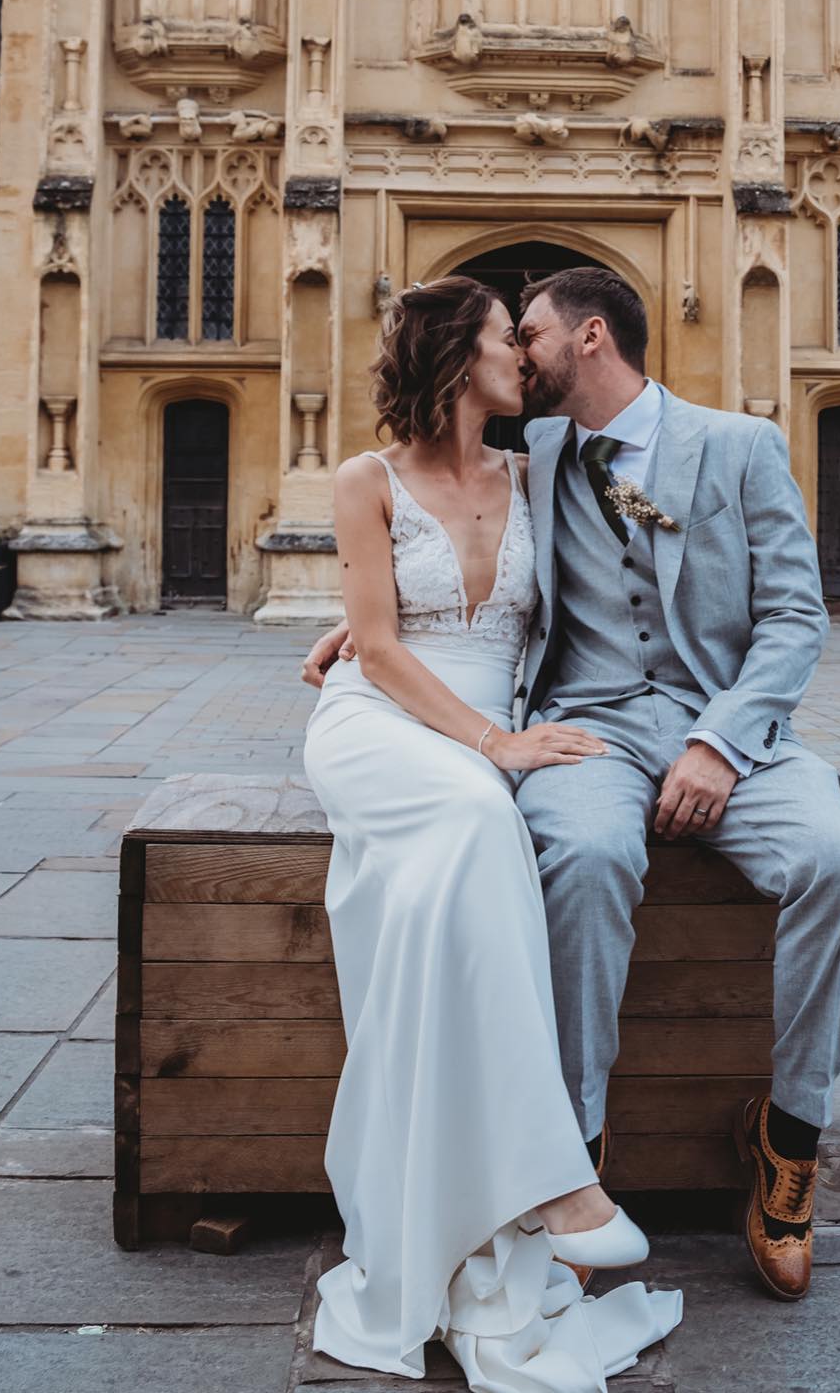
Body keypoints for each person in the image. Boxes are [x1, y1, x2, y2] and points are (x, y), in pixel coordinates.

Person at [306, 265, 840, 1305]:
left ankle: (789, 1142)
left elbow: (798, 618)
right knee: (581, 855)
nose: (517, 355)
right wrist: (364, 623)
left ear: (590, 339)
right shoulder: (539, 453)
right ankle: (570, 1154)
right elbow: (446, 543)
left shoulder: (742, 448)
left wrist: (720, 742)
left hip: (732, 732)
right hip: (591, 726)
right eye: (505, 339)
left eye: (529, 335)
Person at [300, 276, 682, 1389]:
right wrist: (491, 741)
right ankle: (553, 1178)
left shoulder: (540, 469)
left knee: (448, 886)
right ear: (455, 357)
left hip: (473, 717)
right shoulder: (361, 479)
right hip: (381, 726)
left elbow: (619, 580)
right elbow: (379, 646)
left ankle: (473, 1179)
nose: (527, 354)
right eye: (504, 339)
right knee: (481, 807)